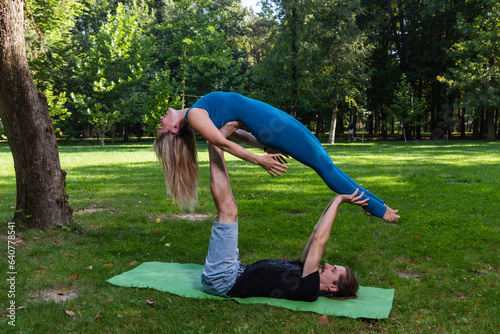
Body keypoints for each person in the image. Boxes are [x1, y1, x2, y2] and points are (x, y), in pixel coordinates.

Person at [154, 91, 399, 222]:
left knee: (325, 162)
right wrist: (258, 159)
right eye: (161, 126)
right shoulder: (195, 116)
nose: (161, 121)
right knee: (325, 166)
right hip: (273, 126)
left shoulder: (198, 112)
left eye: (159, 122)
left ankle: (374, 203)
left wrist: (261, 146)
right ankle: (376, 208)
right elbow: (220, 141)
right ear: (174, 129)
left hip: (272, 122)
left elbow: (234, 130)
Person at [201, 136, 363, 300]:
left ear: (333, 287)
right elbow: (316, 231)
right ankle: (216, 142)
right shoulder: (306, 270)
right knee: (231, 207)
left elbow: (319, 240)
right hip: (235, 269)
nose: (327, 265)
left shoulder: (309, 289)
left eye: (333, 270)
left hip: (224, 280)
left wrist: (339, 200)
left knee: (228, 211)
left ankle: (213, 141)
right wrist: (337, 197)